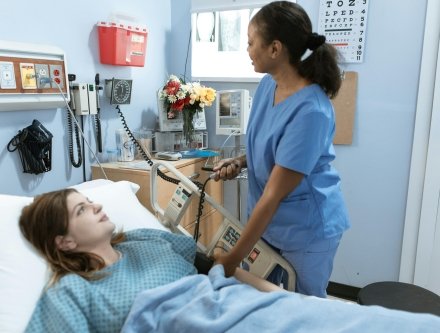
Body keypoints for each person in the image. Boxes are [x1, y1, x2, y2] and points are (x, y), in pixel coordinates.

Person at [213, 1, 350, 298]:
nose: (247, 50)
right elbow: (271, 149)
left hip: (306, 230)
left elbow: (274, 194)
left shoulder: (311, 110)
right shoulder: (267, 86)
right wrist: (240, 160)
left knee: (302, 309)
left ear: (275, 49)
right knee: (270, 303)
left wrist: (232, 259)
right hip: (272, 225)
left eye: (251, 43)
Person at [19, 188, 281, 333]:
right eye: (82, 210)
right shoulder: (71, 291)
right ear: (65, 242)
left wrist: (279, 297)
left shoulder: (143, 240)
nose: (96, 206)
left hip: (237, 309)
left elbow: (216, 267)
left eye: (89, 201)